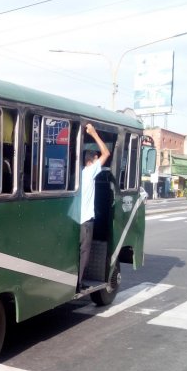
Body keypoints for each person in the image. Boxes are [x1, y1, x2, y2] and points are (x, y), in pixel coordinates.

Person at [79, 123, 110, 290]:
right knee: (84, 252)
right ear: (91, 161)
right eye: (97, 160)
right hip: (85, 221)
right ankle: (79, 283)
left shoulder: (78, 174)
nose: (100, 162)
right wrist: (94, 133)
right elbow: (106, 152)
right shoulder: (90, 172)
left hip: (75, 220)